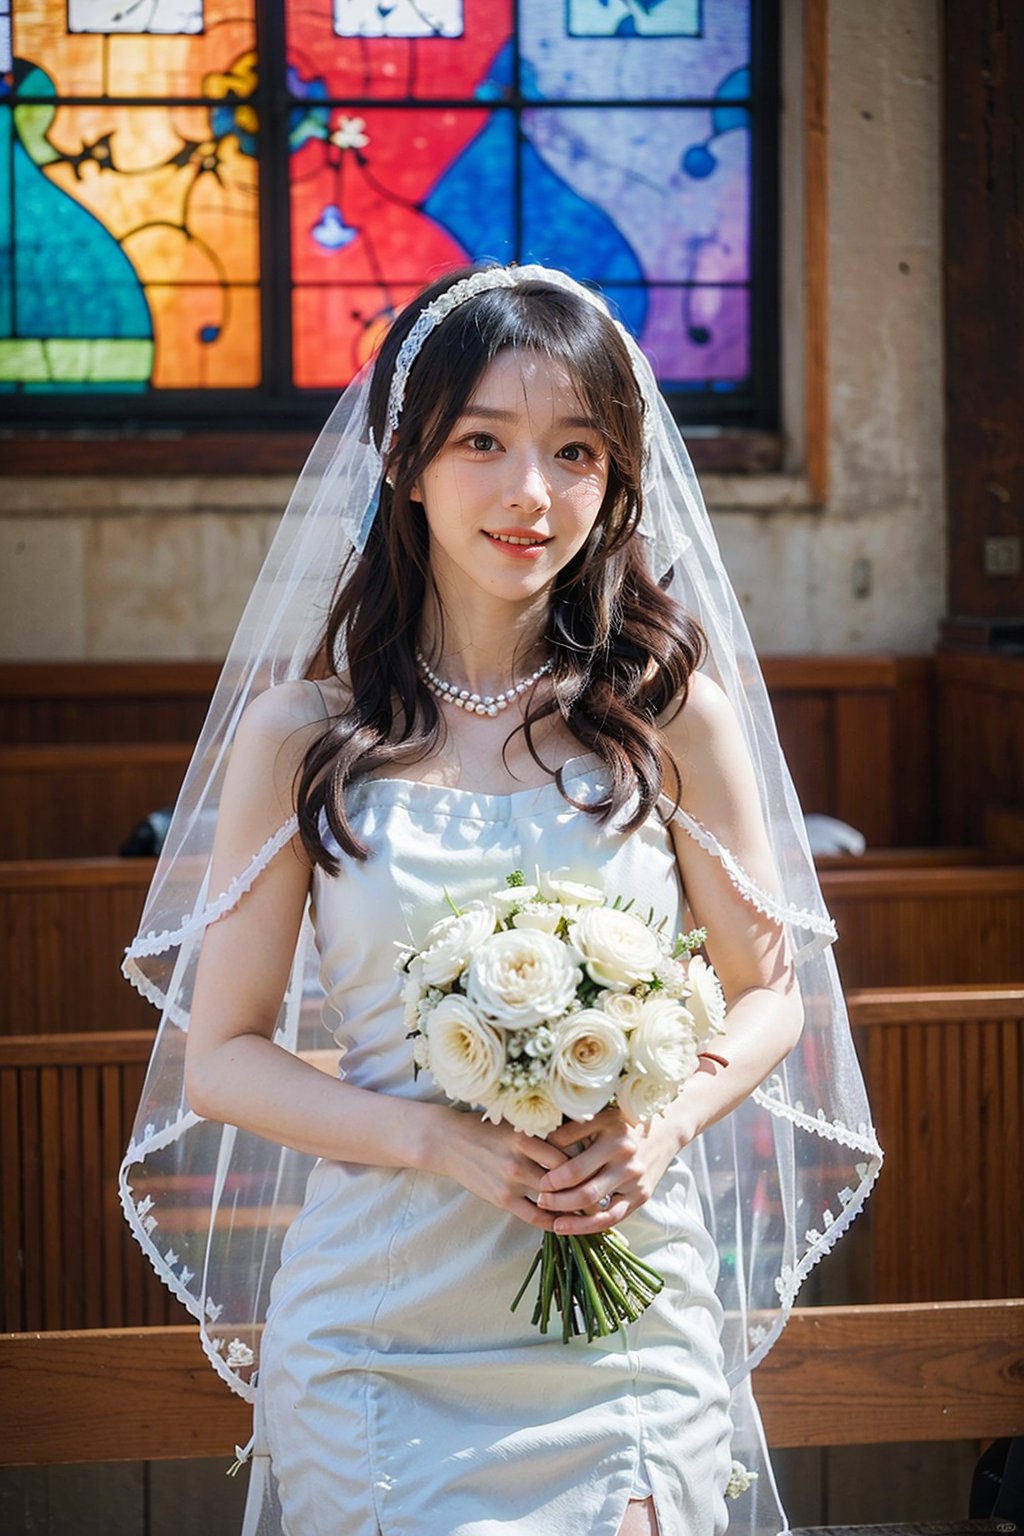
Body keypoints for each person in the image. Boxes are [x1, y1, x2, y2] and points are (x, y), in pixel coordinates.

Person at [119, 264, 882, 1536]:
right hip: (380, 1322)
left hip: (623, 1325)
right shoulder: (302, 737)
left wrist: (666, 1122)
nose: (533, 494)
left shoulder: (665, 718)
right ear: (407, 462)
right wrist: (436, 1140)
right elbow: (225, 1062)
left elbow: (767, 996)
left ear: (616, 479)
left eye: (576, 451)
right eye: (484, 441)